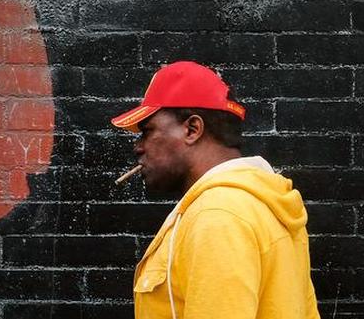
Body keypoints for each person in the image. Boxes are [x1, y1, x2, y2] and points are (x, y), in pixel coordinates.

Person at [111, 61, 320, 319]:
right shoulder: (262, 205)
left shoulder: (219, 216)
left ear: (192, 129)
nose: (138, 147)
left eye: (147, 131)